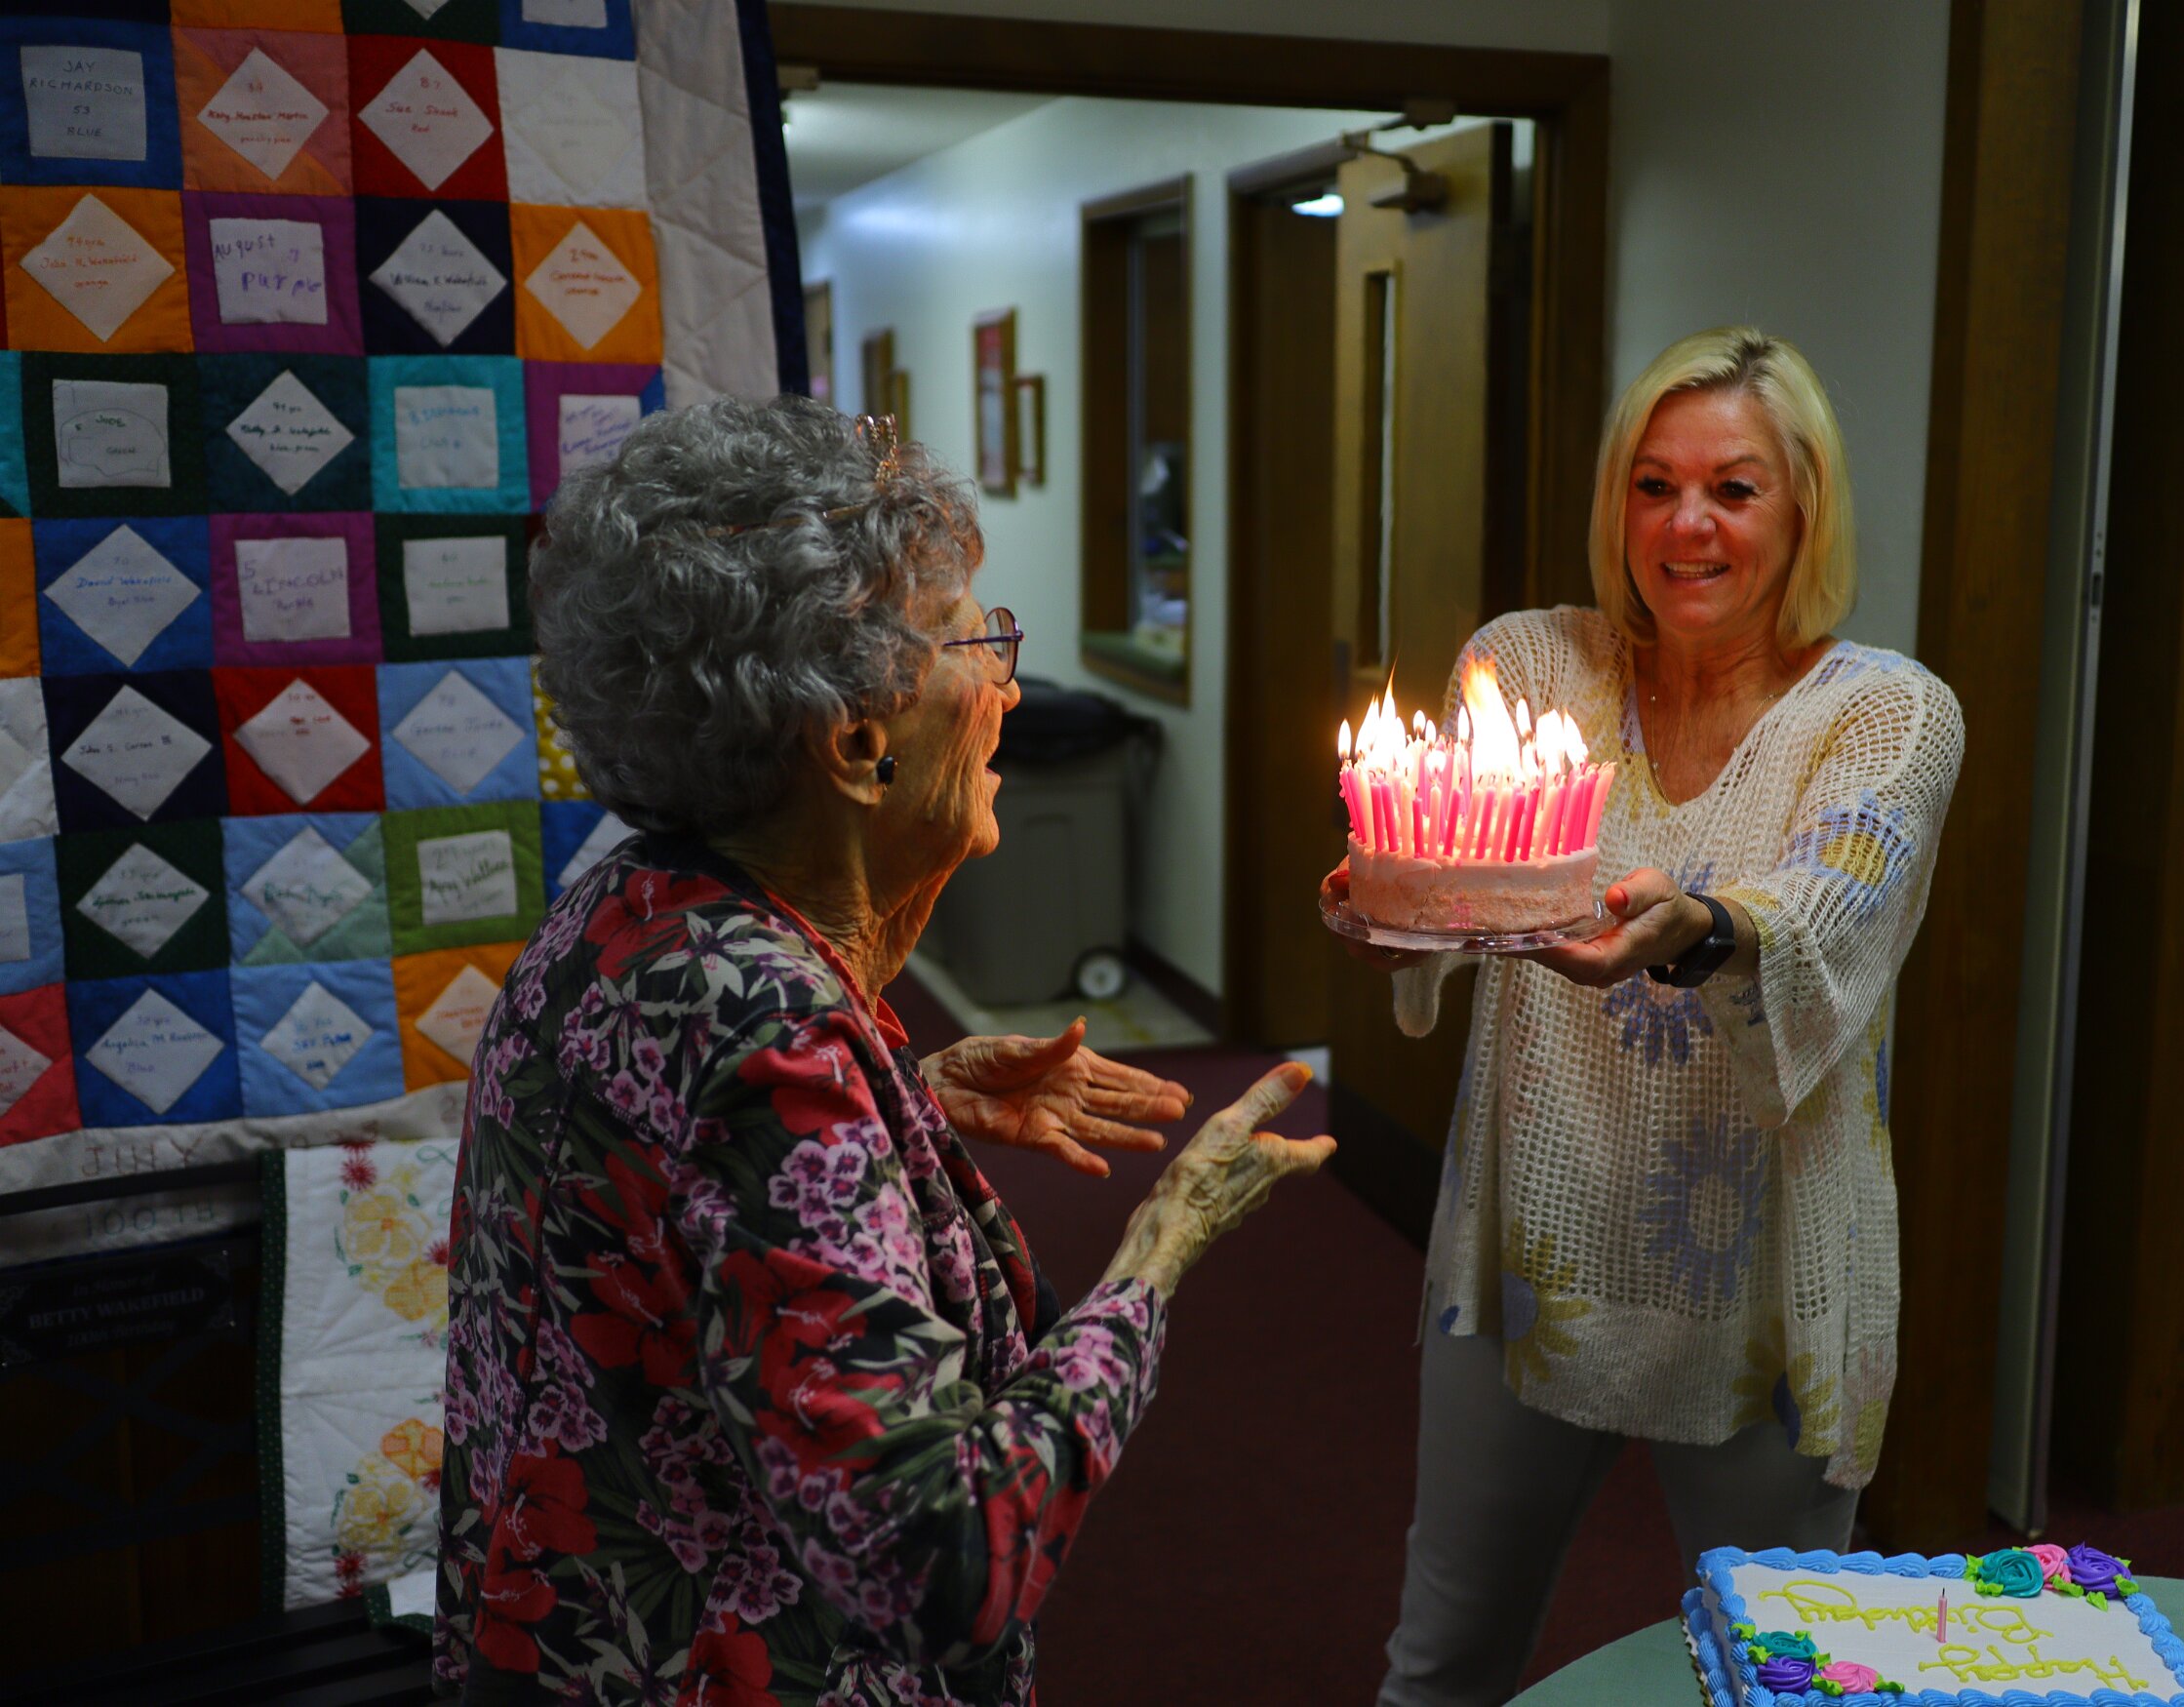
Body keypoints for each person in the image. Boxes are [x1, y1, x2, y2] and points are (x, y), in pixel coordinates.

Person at [433, 397, 1333, 1707]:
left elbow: (673, 1203)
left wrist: (901, 1105)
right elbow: (949, 1564)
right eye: (974, 638)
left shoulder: (622, 909)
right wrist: (1159, 1251)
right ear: (857, 742)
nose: (1008, 684)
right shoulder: (773, 1038)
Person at [1334, 329, 1966, 1707]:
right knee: (1441, 1663)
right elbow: (1461, 873)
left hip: (1762, 1277)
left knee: (1775, 1676)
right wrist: (1399, 893)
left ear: (1803, 508)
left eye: (1733, 489)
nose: (1687, 525)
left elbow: (1824, 916)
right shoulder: (1529, 664)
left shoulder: (1889, 714)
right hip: (1526, 1244)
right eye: (1653, 483)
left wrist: (1699, 928)